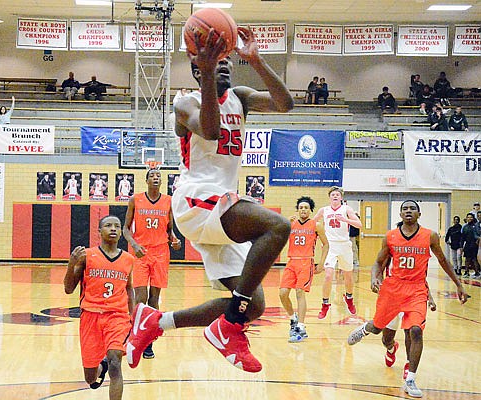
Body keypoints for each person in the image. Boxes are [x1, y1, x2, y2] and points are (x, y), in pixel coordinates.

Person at [125, 26, 294, 373]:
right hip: (196, 200)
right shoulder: (185, 103)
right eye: (218, 61)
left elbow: (285, 104)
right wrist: (206, 76)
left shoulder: (241, 97)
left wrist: (258, 62)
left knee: (255, 305)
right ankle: (229, 327)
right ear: (197, 68)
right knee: (277, 226)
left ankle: (155, 322)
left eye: (229, 60)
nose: (226, 65)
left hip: (220, 204)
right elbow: (212, 131)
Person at [347, 200, 467, 398]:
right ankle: (366, 329)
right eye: (405, 209)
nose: (408, 211)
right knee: (380, 329)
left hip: (416, 290)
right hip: (393, 289)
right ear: (400, 214)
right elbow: (378, 262)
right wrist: (374, 277)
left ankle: (410, 379)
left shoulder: (430, 236)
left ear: (419, 214)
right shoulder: (391, 236)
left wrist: (459, 284)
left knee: (416, 331)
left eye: (412, 208)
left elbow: (443, 261)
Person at [63, 215, 135, 400]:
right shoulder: (87, 256)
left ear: (121, 232)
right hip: (90, 316)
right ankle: (99, 367)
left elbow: (129, 288)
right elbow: (68, 289)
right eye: (108, 225)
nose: (113, 229)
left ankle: (107, 364)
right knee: (91, 379)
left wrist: (132, 315)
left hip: (117, 317)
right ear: (99, 231)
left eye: (117, 226)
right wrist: (71, 264)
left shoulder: (128, 259)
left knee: (115, 362)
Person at [122, 168, 181, 359]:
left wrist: (175, 239)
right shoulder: (135, 200)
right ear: (146, 180)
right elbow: (125, 229)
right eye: (153, 176)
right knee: (140, 297)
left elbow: (170, 229)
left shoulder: (168, 201)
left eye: (159, 176)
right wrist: (133, 244)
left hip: (161, 253)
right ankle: (135, 334)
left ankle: (148, 341)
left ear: (161, 182)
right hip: (141, 253)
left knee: (154, 299)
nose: (156, 178)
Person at [279, 196, 328, 342]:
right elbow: (279, 235)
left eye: (306, 207)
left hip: (306, 262)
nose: (303, 210)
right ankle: (293, 319)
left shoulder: (316, 225)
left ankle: (301, 327)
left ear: (310, 210)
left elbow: (326, 244)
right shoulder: (292, 224)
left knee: (300, 292)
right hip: (291, 262)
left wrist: (321, 263)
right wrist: (285, 223)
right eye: (301, 208)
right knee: (283, 293)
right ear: (297, 210)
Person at [313, 187, 362, 319]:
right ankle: (325, 304)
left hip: (345, 245)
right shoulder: (324, 210)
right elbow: (313, 223)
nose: (335, 196)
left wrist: (346, 220)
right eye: (333, 194)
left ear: (341, 198)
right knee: (328, 275)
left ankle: (349, 298)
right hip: (330, 246)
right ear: (330, 197)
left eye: (337, 195)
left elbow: (359, 224)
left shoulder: (347, 209)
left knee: (348, 276)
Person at [461, 213, 480, 278]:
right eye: (468, 217)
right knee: (467, 259)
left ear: (473, 218)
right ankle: (466, 272)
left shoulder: (475, 226)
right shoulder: (465, 227)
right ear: (466, 218)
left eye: (471, 217)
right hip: (467, 245)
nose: (469, 218)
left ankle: (477, 272)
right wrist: (461, 246)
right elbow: (462, 238)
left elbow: (477, 235)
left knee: (474, 259)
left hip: (475, 245)